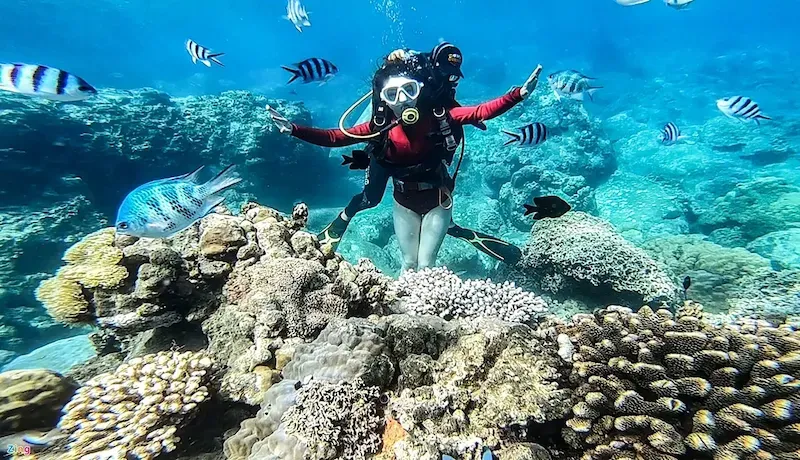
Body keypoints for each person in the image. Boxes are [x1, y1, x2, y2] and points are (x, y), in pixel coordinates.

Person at [268, 52, 541, 271]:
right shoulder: (380, 125)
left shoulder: (439, 114)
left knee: (424, 263)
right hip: (397, 183)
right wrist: (295, 129)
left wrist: (517, 95)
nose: (401, 101)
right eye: (392, 95)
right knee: (372, 203)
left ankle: (448, 223)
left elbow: (480, 111)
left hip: (434, 191)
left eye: (408, 90)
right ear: (383, 99)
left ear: (419, 89)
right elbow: (336, 136)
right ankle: (349, 212)